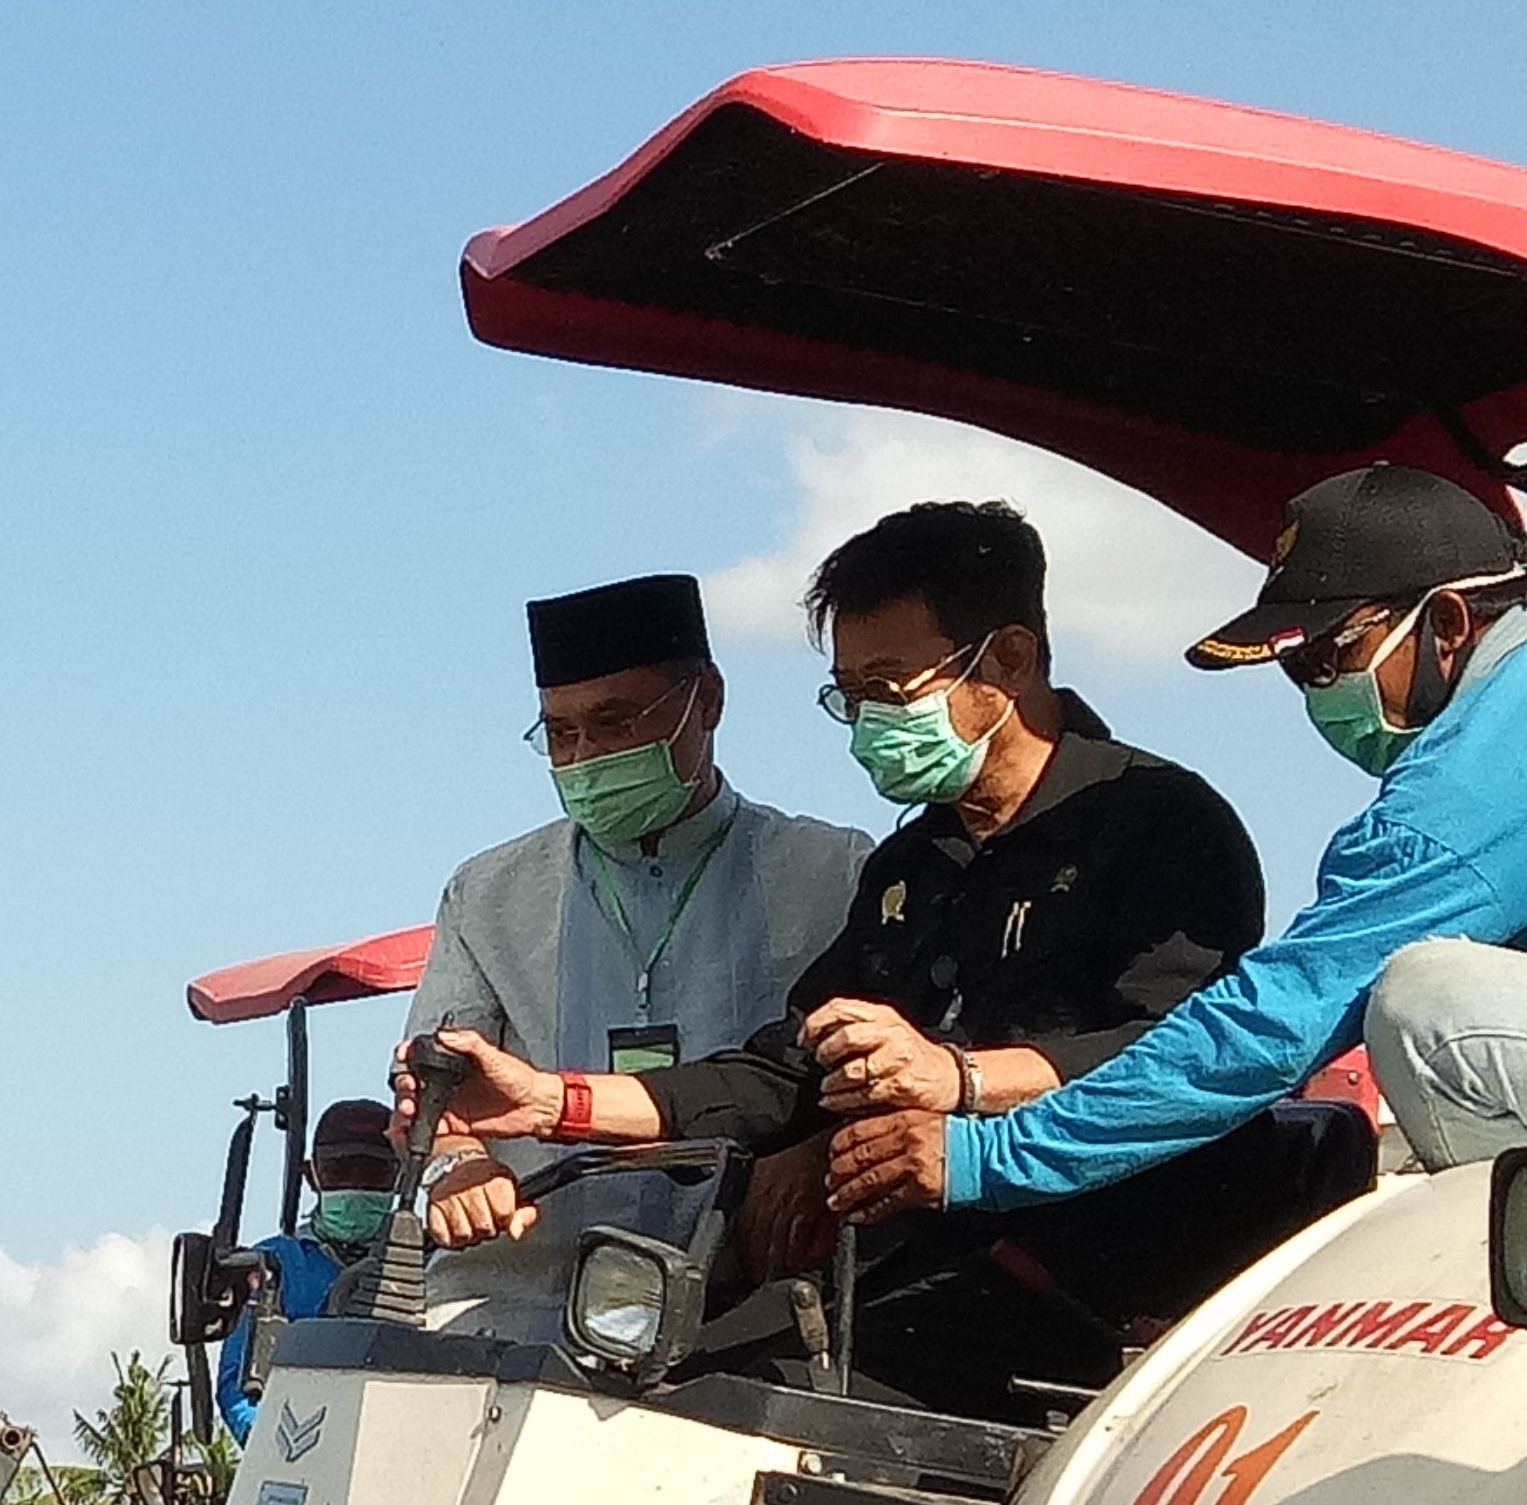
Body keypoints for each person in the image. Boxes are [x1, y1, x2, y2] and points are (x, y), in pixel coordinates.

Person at [422, 501, 1344, 1411]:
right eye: (849, 695)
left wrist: (963, 1082)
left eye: (890, 688)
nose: (866, 724)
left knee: (742, 1414)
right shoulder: (911, 863)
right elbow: (788, 1068)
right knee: (649, 1397)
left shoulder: (1162, 824)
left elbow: (1194, 1055)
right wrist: (554, 1101)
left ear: (1008, 661)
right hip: (905, 1270)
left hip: (1100, 1285)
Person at [825, 466, 1527, 1227]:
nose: (1315, 694)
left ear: (1448, 620)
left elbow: (1269, 1028)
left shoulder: (1459, 795)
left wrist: (988, 1157)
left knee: (1426, 1001)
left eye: (1326, 659)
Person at [403, 572, 868, 1328]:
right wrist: (460, 1164)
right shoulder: (488, 893)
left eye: (615, 724)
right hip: (519, 1306)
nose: (586, 757)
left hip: (752, 1312)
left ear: (706, 701)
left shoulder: (831, 873)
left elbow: (872, 1074)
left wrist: (814, 1149)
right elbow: (435, 1091)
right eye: (561, 734)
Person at [212, 1099, 399, 1437]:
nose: (356, 1186)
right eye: (339, 1172)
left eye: (375, 1172)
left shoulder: (436, 1264)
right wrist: (275, 1448)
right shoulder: (272, 1265)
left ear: (401, 1177)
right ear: (311, 1176)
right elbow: (239, 1391)